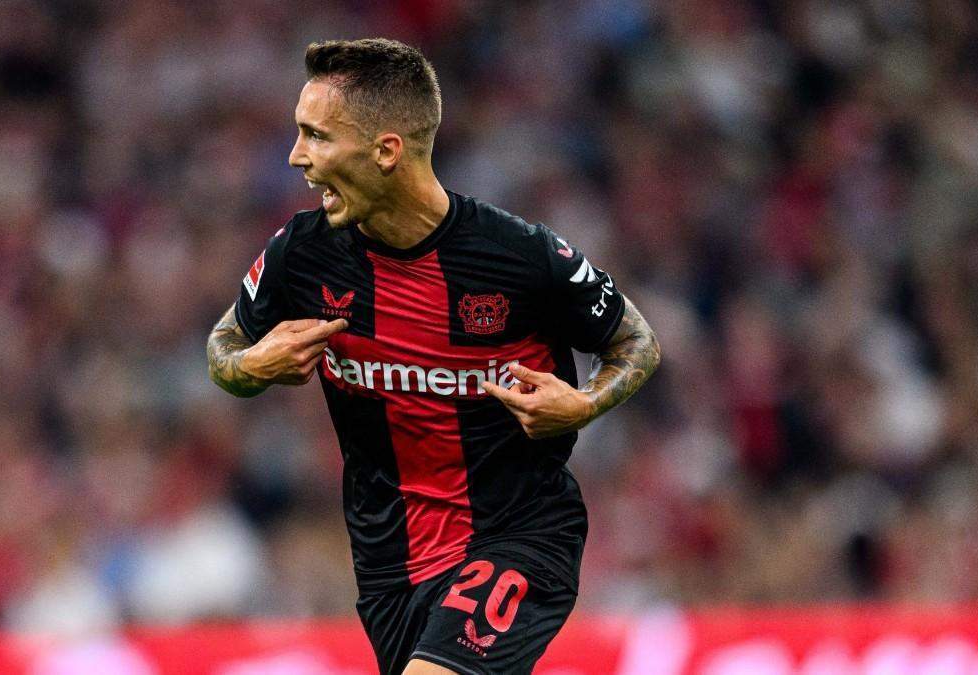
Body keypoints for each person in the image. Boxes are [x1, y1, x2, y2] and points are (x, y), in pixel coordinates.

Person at [207, 38, 660, 675]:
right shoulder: (302, 255)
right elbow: (224, 346)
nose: (296, 156)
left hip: (517, 537)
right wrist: (250, 369)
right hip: (389, 568)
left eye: (316, 136)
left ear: (386, 151)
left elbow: (636, 341)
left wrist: (583, 404)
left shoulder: (518, 256)